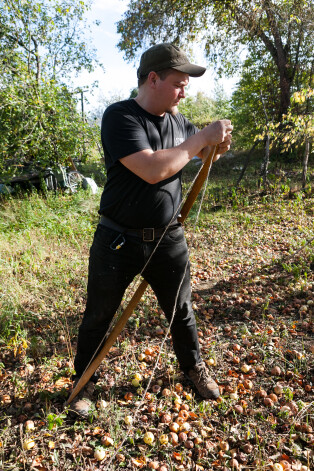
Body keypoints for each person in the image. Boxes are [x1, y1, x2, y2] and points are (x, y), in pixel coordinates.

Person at [70, 43, 232, 418]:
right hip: (117, 239)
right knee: (98, 315)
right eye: (178, 83)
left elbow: (202, 153)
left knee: (181, 310)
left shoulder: (178, 120)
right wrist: (201, 139)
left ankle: (193, 368)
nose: (183, 91)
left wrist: (218, 144)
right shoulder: (119, 117)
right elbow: (153, 168)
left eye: (186, 85)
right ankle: (83, 385)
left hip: (167, 237)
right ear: (153, 78)